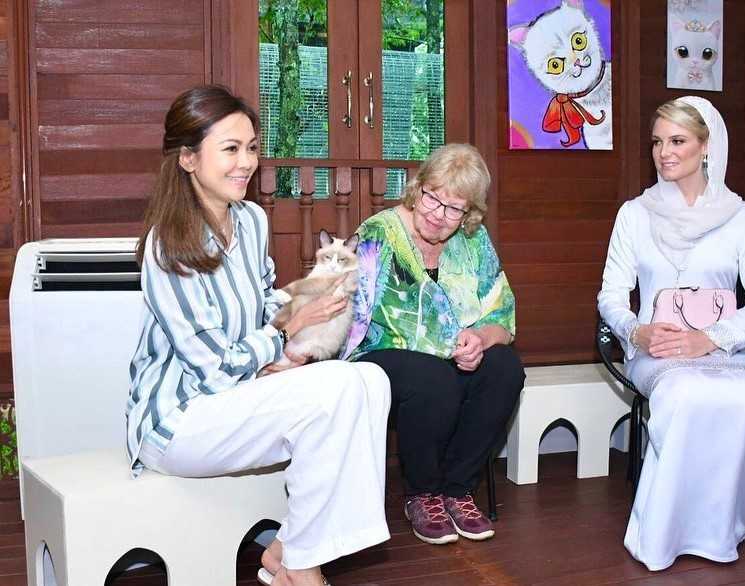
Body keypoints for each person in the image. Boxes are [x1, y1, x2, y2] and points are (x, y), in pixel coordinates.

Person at [126, 85, 391, 586]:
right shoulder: (169, 245)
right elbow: (210, 371)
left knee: (369, 381)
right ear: (187, 158)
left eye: (251, 147)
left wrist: (292, 326)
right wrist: (284, 335)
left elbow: (265, 299)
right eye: (230, 148)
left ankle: (291, 550)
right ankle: (300, 568)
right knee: (335, 390)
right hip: (180, 421)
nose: (246, 162)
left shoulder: (252, 220)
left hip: (239, 393)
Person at [597, 96, 745, 571]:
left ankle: (719, 530)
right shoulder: (634, 214)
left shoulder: (742, 218)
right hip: (657, 350)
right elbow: (611, 296)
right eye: (657, 142)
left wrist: (715, 338)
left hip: (724, 349)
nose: (664, 152)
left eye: (677, 140)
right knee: (684, 395)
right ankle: (663, 534)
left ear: (706, 147)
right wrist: (636, 332)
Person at [340, 143, 525, 545]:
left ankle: (458, 490)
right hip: (383, 356)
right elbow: (345, 316)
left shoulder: (474, 240)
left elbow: (502, 317)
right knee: (432, 376)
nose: (438, 215)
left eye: (454, 209)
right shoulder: (379, 233)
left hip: (455, 358)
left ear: (470, 214)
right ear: (418, 187)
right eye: (432, 198)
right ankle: (423, 493)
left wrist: (479, 338)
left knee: (506, 368)